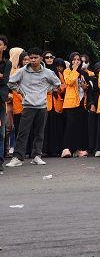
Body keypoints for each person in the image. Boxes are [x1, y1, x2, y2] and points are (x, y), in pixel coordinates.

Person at [6, 47, 61, 167]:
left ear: (40, 58)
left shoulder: (48, 72)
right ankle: (17, 157)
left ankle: (37, 156)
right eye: (31, 58)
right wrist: (20, 91)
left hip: (42, 106)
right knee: (23, 132)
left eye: (35, 57)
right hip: (28, 106)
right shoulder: (22, 71)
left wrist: (47, 90)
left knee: (39, 133)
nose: (33, 60)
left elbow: (57, 84)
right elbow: (10, 82)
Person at [61, 52, 91, 158]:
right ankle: (66, 148)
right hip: (71, 103)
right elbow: (69, 82)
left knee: (80, 126)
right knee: (70, 125)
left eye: (78, 60)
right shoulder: (67, 71)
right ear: (70, 61)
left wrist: (85, 87)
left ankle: (79, 149)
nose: (76, 61)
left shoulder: (83, 73)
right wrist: (74, 69)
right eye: (74, 59)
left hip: (82, 102)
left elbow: (86, 86)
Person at [43, 57, 67, 158]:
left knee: (56, 127)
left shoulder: (58, 74)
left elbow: (64, 86)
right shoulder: (41, 73)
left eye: (51, 57)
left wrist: (58, 90)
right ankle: (44, 150)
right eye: (47, 57)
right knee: (45, 128)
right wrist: (50, 90)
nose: (49, 59)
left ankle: (56, 149)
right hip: (45, 103)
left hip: (56, 104)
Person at [0, 36, 10, 172]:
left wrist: (2, 77)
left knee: (1, 133)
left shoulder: (7, 63)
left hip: (1, 101)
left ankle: (0, 161)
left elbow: (5, 81)